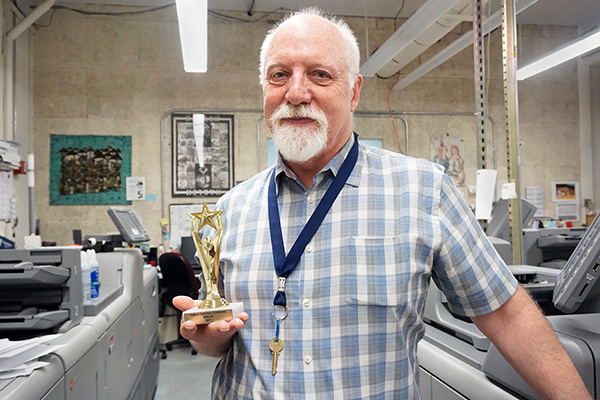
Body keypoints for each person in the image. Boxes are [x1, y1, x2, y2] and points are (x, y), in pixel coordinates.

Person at [173, 7, 591, 399]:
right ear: (265, 89)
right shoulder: (230, 209)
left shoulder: (424, 191)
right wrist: (209, 336)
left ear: (354, 92)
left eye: (319, 75)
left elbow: (507, 315)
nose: (296, 92)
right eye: (279, 75)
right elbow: (220, 340)